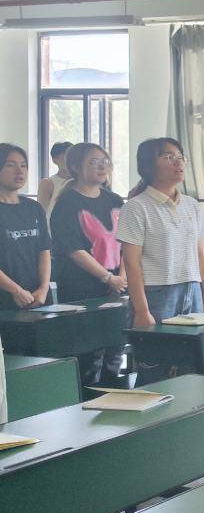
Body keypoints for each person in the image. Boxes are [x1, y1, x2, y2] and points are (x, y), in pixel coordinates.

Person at [50, 143, 127, 386]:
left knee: (116, 350)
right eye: (93, 162)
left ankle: (115, 398)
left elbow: (127, 243)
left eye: (104, 161)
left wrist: (122, 277)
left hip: (117, 287)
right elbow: (73, 249)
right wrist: (108, 278)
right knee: (90, 356)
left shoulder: (114, 200)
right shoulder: (67, 203)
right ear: (75, 166)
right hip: (82, 289)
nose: (101, 167)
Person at [117, 137, 204, 329]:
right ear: (148, 167)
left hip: (192, 288)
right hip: (156, 292)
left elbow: (201, 255)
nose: (178, 162)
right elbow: (132, 263)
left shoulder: (192, 205)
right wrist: (142, 311)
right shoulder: (136, 207)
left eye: (180, 156)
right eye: (168, 157)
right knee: (159, 348)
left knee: (192, 348)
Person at [0, 144, 51, 311]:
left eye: (23, 165)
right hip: (6, 297)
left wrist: (44, 288)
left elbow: (44, 250)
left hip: (38, 296)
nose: (19, 171)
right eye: (10, 165)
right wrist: (16, 290)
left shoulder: (33, 208)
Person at [37, 141, 73, 216]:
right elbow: (41, 212)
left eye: (72, 157)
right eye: (65, 158)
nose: (70, 162)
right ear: (55, 160)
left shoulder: (81, 181)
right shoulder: (47, 183)